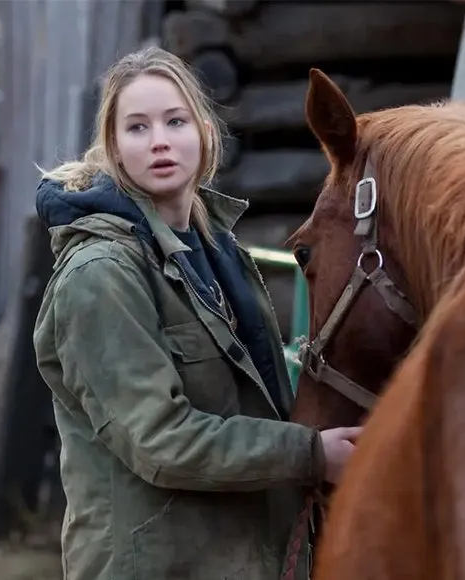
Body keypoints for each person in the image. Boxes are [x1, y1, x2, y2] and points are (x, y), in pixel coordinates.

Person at [32, 46, 362, 580]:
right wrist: (309, 454)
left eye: (175, 120)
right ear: (113, 148)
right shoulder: (102, 273)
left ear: (205, 132)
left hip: (244, 557)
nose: (159, 140)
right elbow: (160, 440)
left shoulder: (216, 252)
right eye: (137, 128)